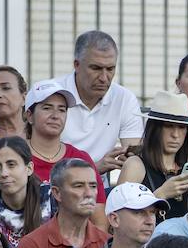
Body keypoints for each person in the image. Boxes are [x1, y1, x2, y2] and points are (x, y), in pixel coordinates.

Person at [12, 158, 107, 248]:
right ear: (57, 193)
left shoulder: (108, 244)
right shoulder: (32, 245)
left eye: (93, 186)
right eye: (78, 186)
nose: (89, 193)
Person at [56, 30, 143, 171]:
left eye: (110, 69)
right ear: (76, 65)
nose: (104, 77)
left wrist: (129, 158)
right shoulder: (52, 94)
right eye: (96, 68)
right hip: (54, 184)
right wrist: (94, 169)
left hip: (100, 187)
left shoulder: (124, 98)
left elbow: (133, 154)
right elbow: (41, 156)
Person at [14, 79, 104, 203]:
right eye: (47, 108)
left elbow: (99, 215)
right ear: (29, 115)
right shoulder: (11, 159)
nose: (55, 115)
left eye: (62, 109)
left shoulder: (80, 158)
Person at [116, 92, 188, 219]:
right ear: (154, 128)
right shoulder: (135, 165)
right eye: (169, 126)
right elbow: (118, 216)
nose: (175, 134)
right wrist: (160, 194)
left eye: (182, 127)